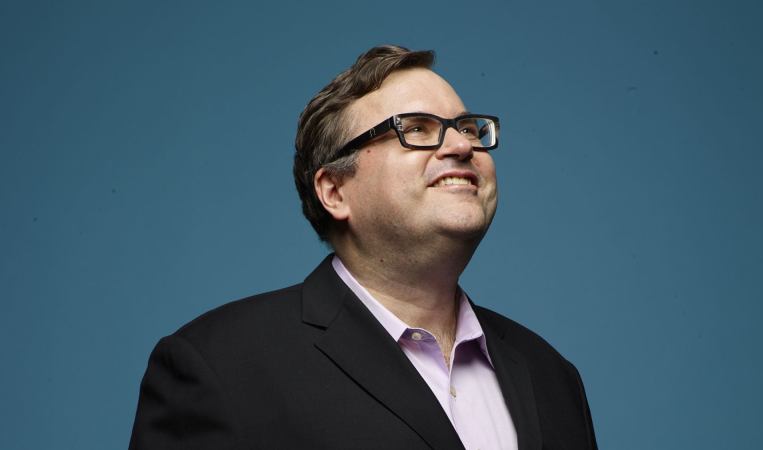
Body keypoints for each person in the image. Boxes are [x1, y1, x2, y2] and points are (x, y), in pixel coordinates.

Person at [129, 45, 598, 450]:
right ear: (335, 191)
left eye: (470, 129)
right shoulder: (221, 364)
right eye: (416, 128)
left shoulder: (551, 375)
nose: (461, 145)